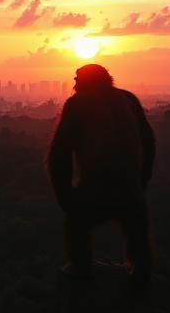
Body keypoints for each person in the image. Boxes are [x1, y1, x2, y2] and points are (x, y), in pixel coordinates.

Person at [47, 64, 155, 291]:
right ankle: (139, 277)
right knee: (138, 237)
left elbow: (59, 154)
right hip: (130, 187)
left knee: (77, 224)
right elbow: (149, 142)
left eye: (77, 79)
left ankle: (81, 268)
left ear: (86, 82)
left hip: (96, 185)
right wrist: (142, 180)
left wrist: (64, 196)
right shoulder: (128, 99)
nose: (74, 83)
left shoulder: (77, 103)